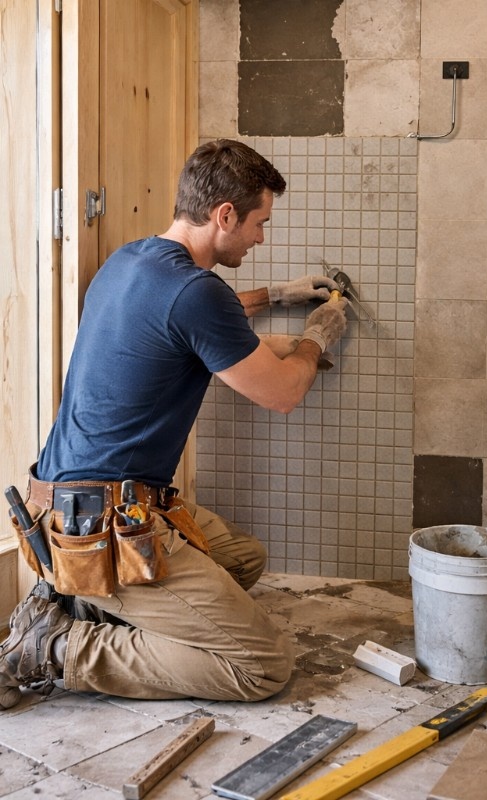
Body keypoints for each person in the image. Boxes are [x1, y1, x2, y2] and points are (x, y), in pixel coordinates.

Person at [0, 138, 348, 708]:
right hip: (104, 525)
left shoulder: (128, 260)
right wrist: (314, 339)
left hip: (61, 507)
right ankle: (59, 647)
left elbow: (185, 314)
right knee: (262, 665)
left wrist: (277, 295)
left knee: (242, 559)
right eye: (260, 222)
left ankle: (79, 603)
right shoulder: (197, 293)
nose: (263, 237)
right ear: (225, 215)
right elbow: (283, 393)